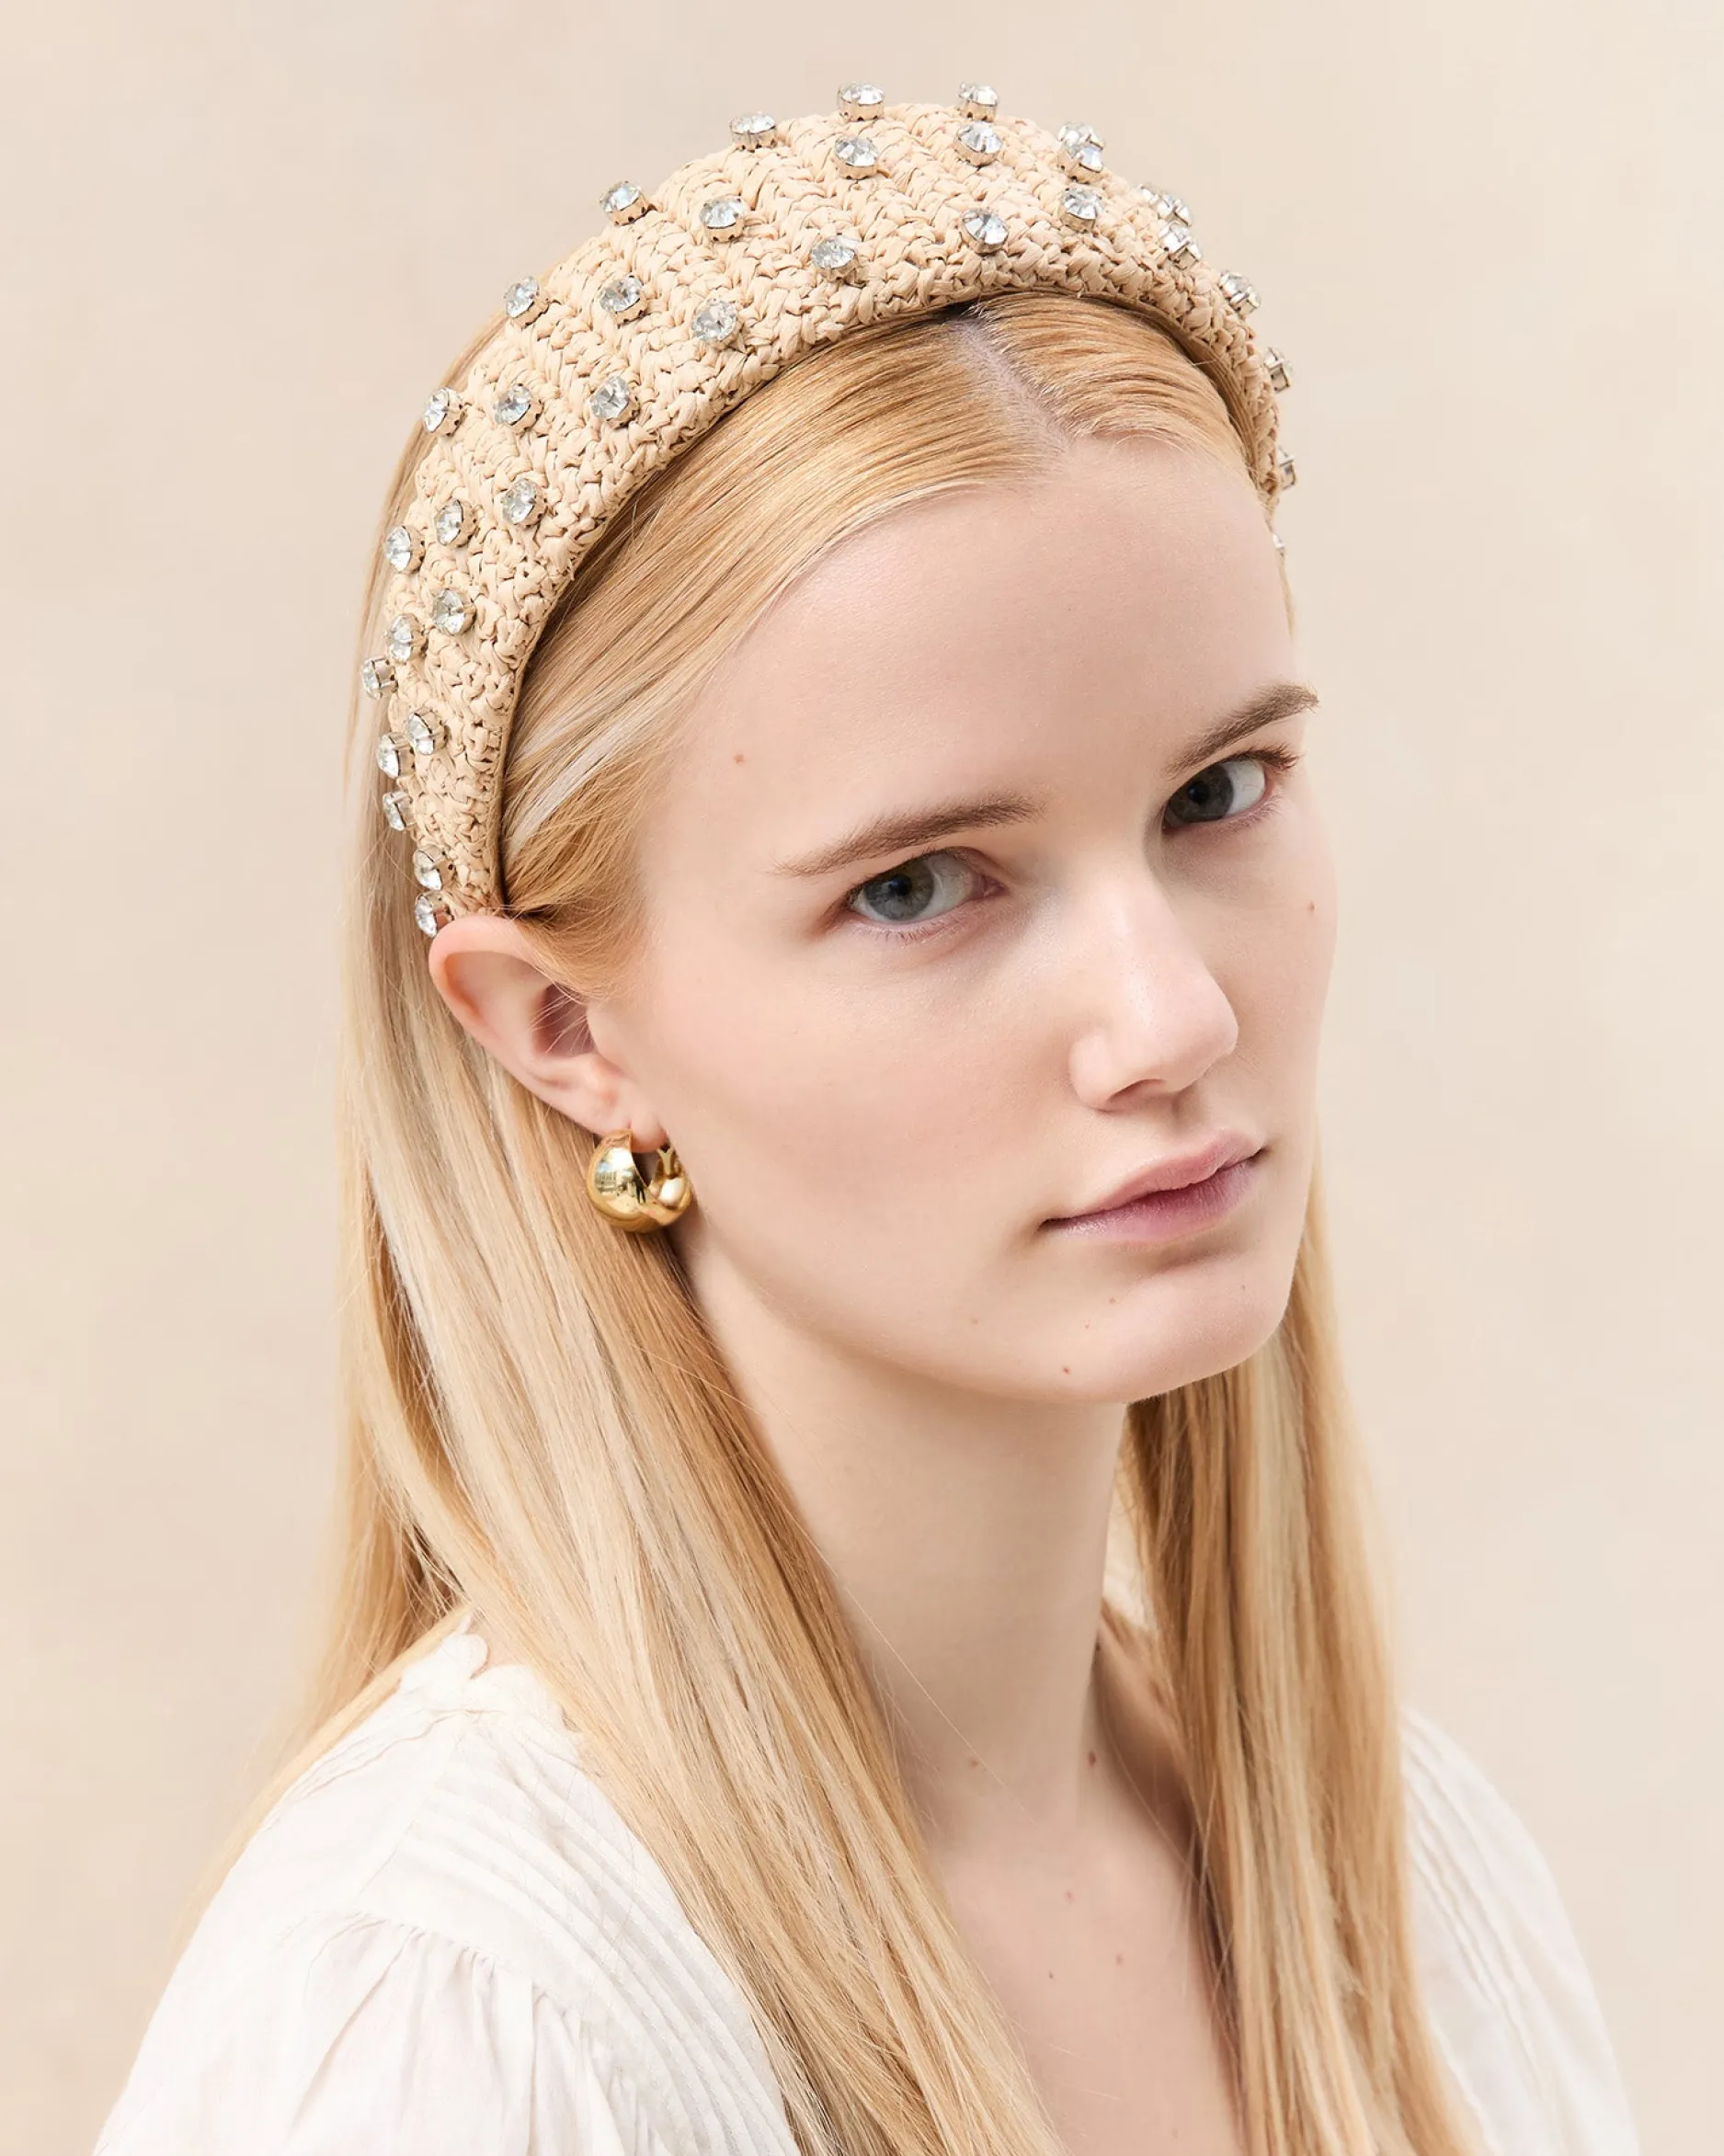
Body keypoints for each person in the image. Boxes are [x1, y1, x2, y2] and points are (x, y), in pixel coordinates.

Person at [94, 86, 1641, 2156]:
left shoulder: (1416, 1901)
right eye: (921, 886)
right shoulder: (462, 2022)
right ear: (565, 1030)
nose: (1171, 1015)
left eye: (1216, 794)